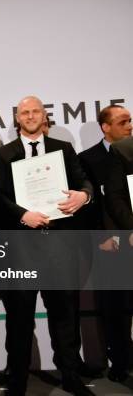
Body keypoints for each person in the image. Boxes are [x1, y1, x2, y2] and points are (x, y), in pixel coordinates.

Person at [0, 95, 94, 396]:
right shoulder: (4, 154)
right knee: (19, 320)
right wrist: (23, 215)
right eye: (25, 112)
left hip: (60, 247)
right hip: (22, 249)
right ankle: (17, 382)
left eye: (36, 111)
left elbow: (83, 182)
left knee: (65, 317)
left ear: (44, 116)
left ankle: (71, 377)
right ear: (17, 118)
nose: (31, 116)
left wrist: (83, 196)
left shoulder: (63, 149)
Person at [78, 105, 132, 382]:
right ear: (105, 127)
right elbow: (88, 205)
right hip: (108, 244)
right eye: (123, 122)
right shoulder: (86, 159)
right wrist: (102, 237)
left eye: (130, 121)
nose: (130, 126)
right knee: (113, 307)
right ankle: (119, 362)